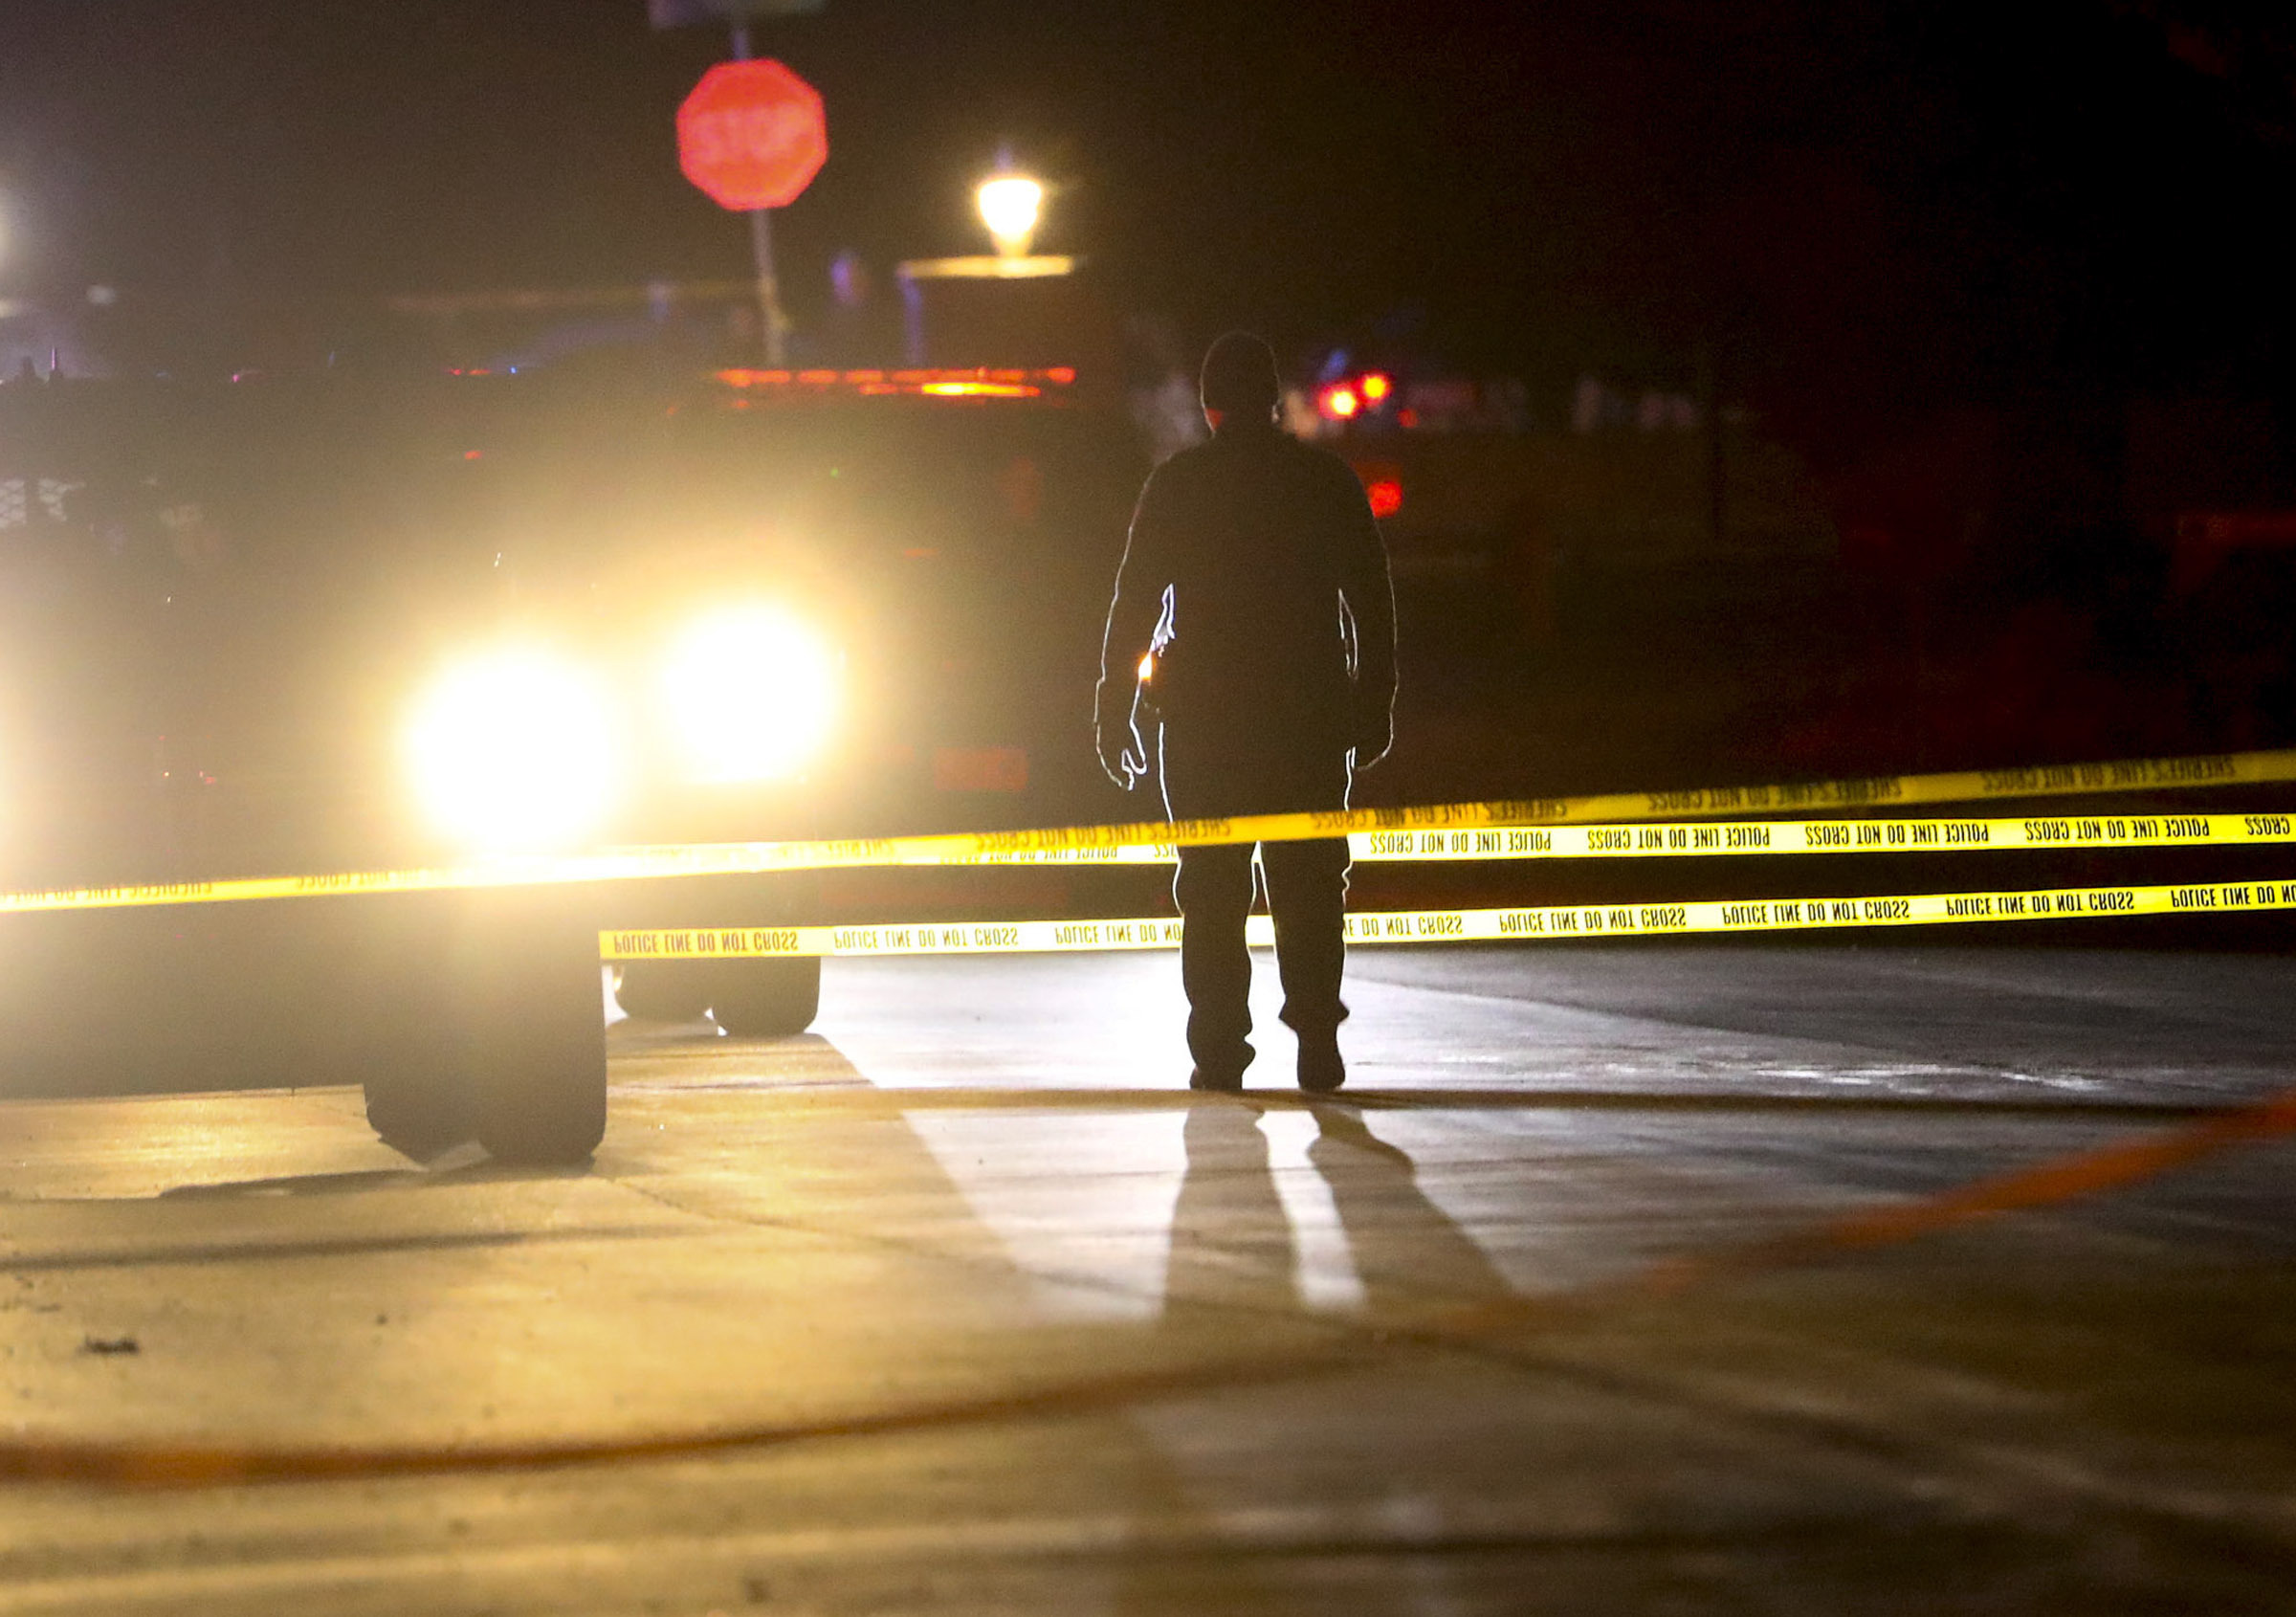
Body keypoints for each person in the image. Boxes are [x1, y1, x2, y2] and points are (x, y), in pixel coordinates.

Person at [1094, 332, 1397, 1092]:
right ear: (1273, 399)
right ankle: (1319, 1037)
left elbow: (1134, 600)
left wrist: (1114, 703)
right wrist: (1373, 701)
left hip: (1204, 724)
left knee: (1210, 891)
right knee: (1311, 885)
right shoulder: (1325, 482)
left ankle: (1221, 1053)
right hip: (1307, 718)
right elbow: (1372, 600)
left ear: (1208, 405)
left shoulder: (1179, 486)